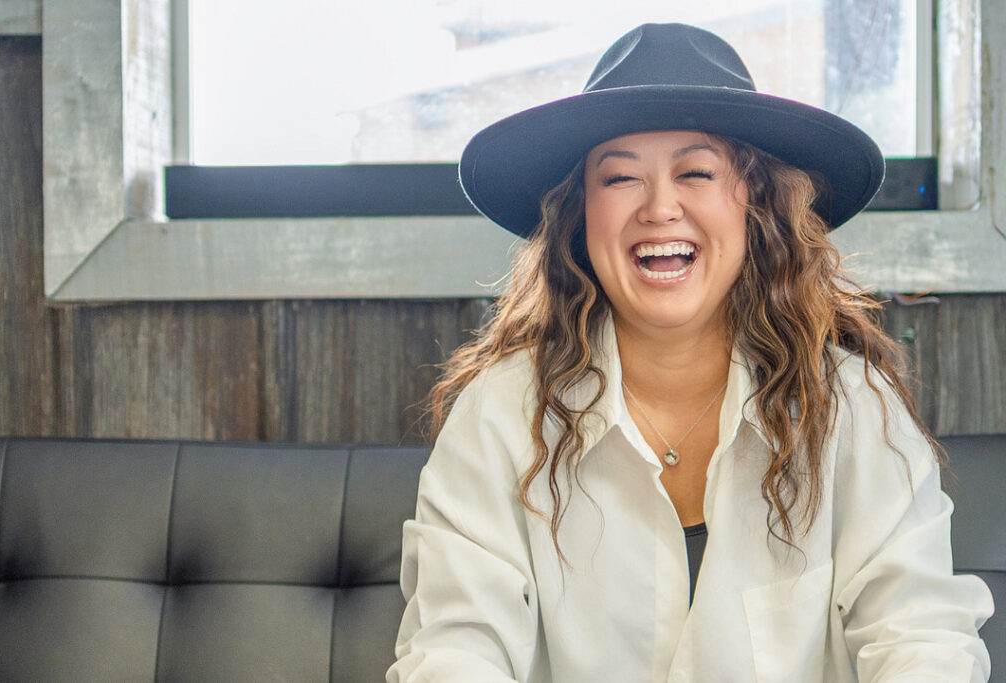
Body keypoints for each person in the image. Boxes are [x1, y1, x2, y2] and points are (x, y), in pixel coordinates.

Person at [387, 23, 993, 682]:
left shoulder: (851, 406)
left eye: (696, 172)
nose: (659, 207)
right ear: (580, 214)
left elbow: (921, 636)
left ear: (757, 204)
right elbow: (454, 648)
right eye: (621, 177)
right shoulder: (500, 413)